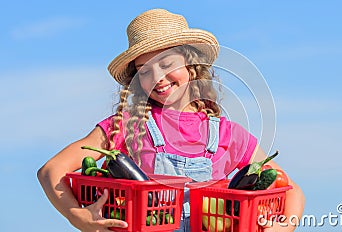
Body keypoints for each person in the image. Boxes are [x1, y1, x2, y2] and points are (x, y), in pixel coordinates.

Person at [37, 8, 305, 232]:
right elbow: (52, 170)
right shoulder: (127, 126)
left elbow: (292, 191)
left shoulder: (226, 133)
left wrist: (285, 225)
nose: (158, 78)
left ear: (191, 64)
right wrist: (78, 217)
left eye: (167, 64)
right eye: (144, 71)